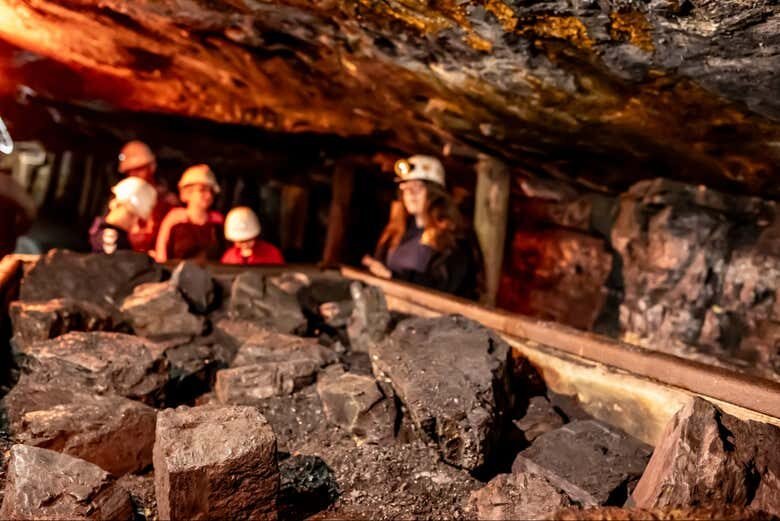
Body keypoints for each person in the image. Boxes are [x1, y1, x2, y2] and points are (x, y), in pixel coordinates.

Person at [361, 155, 482, 299]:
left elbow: (444, 287)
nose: (410, 194)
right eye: (405, 187)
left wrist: (393, 277)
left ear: (434, 193)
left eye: (417, 187)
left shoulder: (455, 238)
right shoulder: (395, 233)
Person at [117, 140, 178, 253]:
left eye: (139, 169)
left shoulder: (168, 201)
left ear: (152, 167)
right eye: (130, 171)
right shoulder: (120, 200)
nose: (134, 175)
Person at [155, 164, 225, 262]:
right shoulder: (174, 219)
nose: (208, 195)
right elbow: (162, 252)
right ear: (187, 192)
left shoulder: (217, 222)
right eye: (202, 190)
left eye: (211, 191)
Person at [89, 177, 157, 254]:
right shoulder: (110, 236)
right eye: (131, 215)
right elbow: (111, 262)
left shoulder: (109, 234)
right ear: (117, 204)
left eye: (139, 219)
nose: (134, 224)